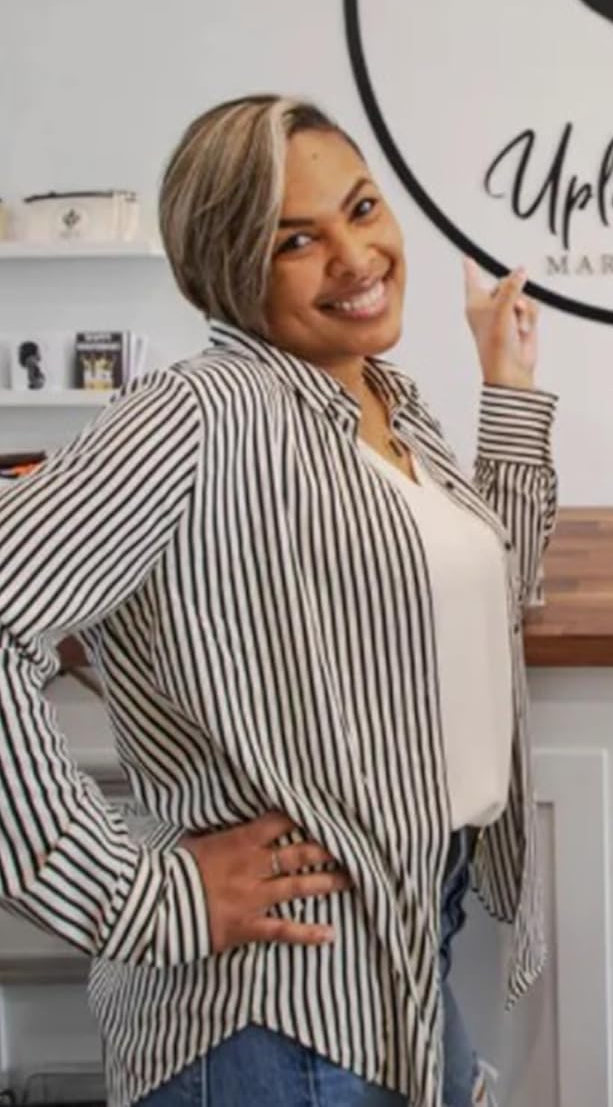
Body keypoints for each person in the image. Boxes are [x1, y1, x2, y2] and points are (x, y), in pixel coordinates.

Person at [0, 95, 559, 1107]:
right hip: (270, 1012)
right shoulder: (197, 415)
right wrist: (131, 893)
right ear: (228, 266)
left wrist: (508, 387)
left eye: (362, 208)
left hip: (408, 952)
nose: (355, 256)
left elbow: (494, 599)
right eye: (296, 240)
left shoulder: (385, 403)